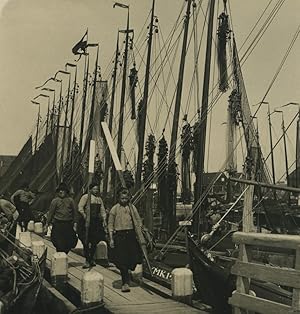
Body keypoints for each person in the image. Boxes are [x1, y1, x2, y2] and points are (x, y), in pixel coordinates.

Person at [108, 187, 143, 292]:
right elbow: (110, 224)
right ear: (119, 198)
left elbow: (138, 220)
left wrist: (139, 230)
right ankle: (125, 283)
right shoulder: (114, 209)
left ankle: (128, 272)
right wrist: (111, 239)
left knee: (133, 259)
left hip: (131, 235)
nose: (124, 200)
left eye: (125, 198)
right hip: (119, 235)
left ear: (128, 198)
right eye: (122, 198)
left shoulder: (132, 208)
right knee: (122, 260)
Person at [78, 182, 107, 269]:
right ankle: (87, 260)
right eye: (94, 189)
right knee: (86, 240)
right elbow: (80, 207)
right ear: (90, 189)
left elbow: (102, 210)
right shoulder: (86, 197)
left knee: (95, 241)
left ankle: (92, 259)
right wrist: (85, 216)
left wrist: (104, 219)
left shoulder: (99, 199)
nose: (96, 191)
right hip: (86, 222)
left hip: (95, 222)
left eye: (97, 189)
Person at [46, 182, 78, 254]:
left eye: (63, 190)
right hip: (58, 224)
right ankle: (60, 257)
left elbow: (75, 213)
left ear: (66, 191)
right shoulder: (55, 201)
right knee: (58, 243)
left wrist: (75, 224)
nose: (61, 192)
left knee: (69, 242)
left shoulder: (71, 201)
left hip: (68, 224)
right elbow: (51, 213)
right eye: (60, 190)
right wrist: (47, 224)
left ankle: (64, 255)